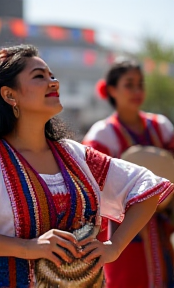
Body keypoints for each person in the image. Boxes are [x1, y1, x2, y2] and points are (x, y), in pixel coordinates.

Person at [0, 45, 173, 288]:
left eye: (52, 75)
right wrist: (27, 247)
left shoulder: (75, 155)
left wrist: (114, 247)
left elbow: (147, 187)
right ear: (10, 95)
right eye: (39, 76)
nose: (53, 82)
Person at [83, 59, 174, 288]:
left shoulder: (160, 126)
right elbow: (92, 187)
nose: (137, 91)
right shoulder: (102, 135)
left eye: (140, 84)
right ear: (112, 90)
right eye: (129, 84)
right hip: (123, 231)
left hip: (163, 224)